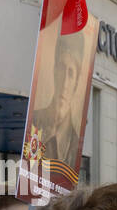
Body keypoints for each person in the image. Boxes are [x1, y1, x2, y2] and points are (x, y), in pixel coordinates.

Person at [34, 36, 85, 168]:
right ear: (54, 70)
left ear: (76, 82)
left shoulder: (75, 144)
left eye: (71, 73)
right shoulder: (33, 121)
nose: (64, 83)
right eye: (61, 68)